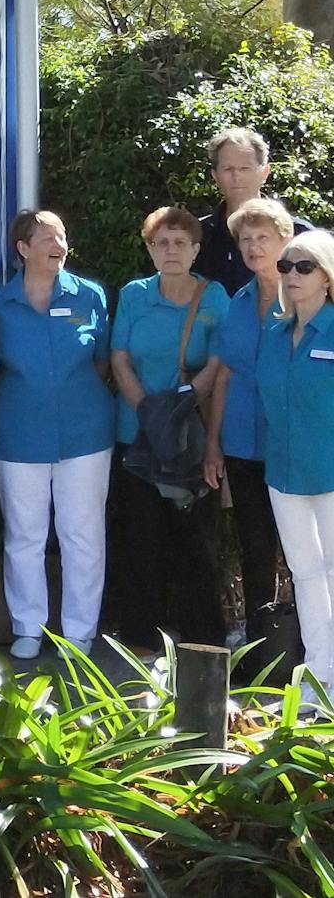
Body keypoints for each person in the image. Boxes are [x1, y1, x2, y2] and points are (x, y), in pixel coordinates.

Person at [0, 209, 115, 661]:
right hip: (18, 433)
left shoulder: (90, 295)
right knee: (24, 535)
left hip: (85, 433)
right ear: (22, 249)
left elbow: (101, 361)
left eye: (62, 235)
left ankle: (80, 632)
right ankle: (28, 627)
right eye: (47, 237)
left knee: (82, 534)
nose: (59, 244)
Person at [107, 207, 229, 648]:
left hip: (187, 439)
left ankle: (202, 636)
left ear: (196, 249)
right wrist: (148, 413)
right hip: (137, 436)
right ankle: (141, 635)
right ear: (150, 249)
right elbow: (119, 357)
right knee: (142, 538)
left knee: (193, 540)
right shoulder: (134, 294)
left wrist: (178, 407)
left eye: (181, 242)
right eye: (162, 242)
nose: (172, 250)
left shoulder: (214, 297)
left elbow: (219, 362)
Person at [204, 197, 293, 649]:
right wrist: (214, 443)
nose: (254, 246)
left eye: (263, 237)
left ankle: (312, 647)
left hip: (295, 447)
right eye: (246, 239)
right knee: (254, 547)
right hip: (241, 444)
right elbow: (224, 374)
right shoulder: (236, 303)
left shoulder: (308, 298)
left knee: (304, 551)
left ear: (285, 240)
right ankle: (265, 648)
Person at [255, 229, 334, 706]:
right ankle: (318, 678)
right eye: (286, 266)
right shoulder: (273, 329)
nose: (293, 275)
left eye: (304, 266)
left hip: (330, 472)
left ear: (327, 276)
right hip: (284, 473)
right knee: (305, 575)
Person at [197, 128, 312, 297]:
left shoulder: (301, 235)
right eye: (228, 169)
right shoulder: (197, 235)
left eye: (245, 168)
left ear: (265, 172)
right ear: (215, 175)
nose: (237, 176)